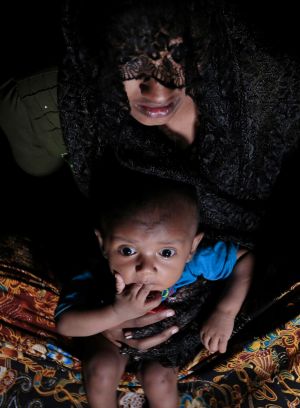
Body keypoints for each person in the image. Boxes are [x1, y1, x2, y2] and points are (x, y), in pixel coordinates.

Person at [0, 0, 299, 352]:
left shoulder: (270, 90)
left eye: (179, 56)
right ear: (98, 49)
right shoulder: (45, 111)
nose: (157, 92)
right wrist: (107, 317)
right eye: (131, 62)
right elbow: (47, 211)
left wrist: (227, 306)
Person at [55, 166, 253, 408]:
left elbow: (244, 259)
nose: (146, 269)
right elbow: (66, 324)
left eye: (166, 253)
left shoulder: (196, 262)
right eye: (128, 251)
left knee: (159, 380)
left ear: (191, 247)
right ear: (103, 243)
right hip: (111, 337)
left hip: (168, 341)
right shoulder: (94, 273)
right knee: (100, 371)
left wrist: (225, 312)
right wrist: (117, 313)